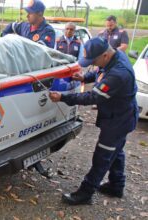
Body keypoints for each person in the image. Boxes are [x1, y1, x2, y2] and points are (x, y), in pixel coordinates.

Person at [49, 37, 138, 205]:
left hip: (118, 121)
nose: (93, 64)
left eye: (94, 60)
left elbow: (93, 96)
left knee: (102, 156)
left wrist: (63, 97)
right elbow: (100, 73)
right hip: (120, 116)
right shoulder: (115, 57)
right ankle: (116, 185)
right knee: (116, 151)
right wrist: (84, 78)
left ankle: (85, 193)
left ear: (105, 55)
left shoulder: (119, 73)